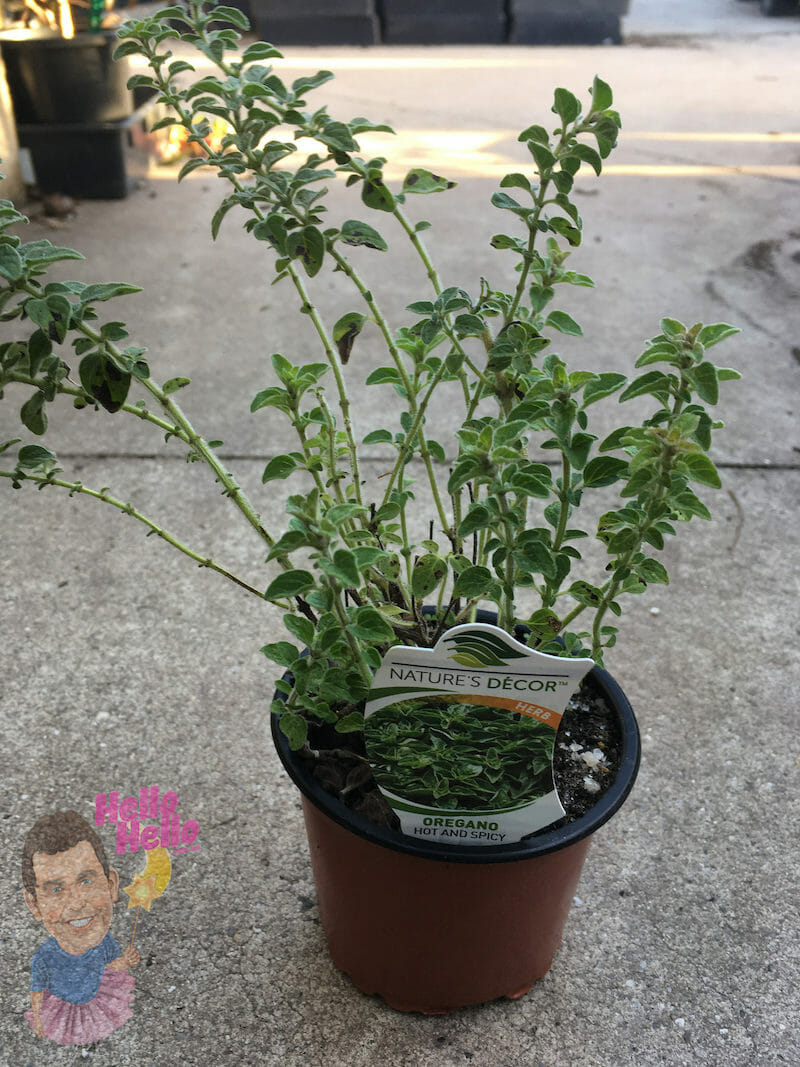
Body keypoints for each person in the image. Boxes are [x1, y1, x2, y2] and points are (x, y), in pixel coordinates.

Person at [21, 809, 139, 1045]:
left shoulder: (105, 942)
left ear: (111, 886)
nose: (76, 903)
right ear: (34, 905)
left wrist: (124, 962)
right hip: (62, 1007)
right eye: (56, 889)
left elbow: (110, 969)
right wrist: (37, 1017)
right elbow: (37, 990)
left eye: (86, 881)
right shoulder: (44, 956)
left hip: (96, 999)